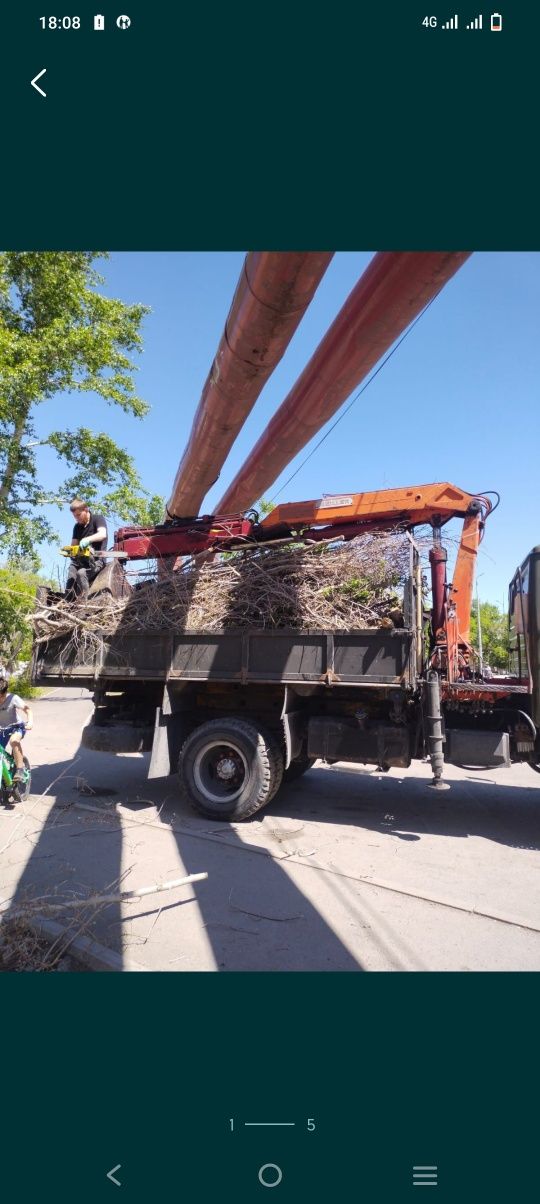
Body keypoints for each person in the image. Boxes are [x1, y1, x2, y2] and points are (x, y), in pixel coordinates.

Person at [65, 498, 108, 600]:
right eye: (75, 516)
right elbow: (73, 545)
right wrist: (70, 551)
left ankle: (84, 603)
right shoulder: (77, 527)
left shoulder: (98, 519)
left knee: (81, 573)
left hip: (97, 561)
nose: (77, 518)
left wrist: (87, 540)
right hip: (81, 561)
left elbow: (102, 534)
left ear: (86, 509)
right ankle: (67, 602)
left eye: (78, 515)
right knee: (72, 571)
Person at [0, 671, 33, 785]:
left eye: (2, 697)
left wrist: (30, 722)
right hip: (1, 730)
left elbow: (27, 709)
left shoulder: (13, 698)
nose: (0, 700)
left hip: (16, 727)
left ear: (5, 693)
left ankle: (20, 768)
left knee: (14, 741)